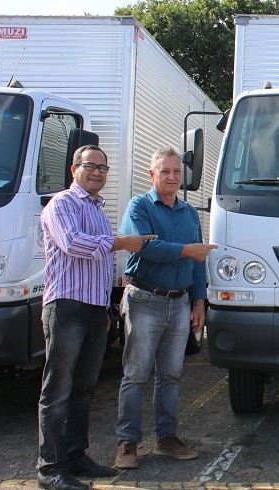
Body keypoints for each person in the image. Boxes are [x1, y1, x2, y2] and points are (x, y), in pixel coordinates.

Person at [37, 145, 155, 490]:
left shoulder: (98, 209)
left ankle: (75, 456)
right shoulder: (61, 204)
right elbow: (73, 244)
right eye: (90, 166)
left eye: (103, 168)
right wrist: (120, 242)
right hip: (65, 308)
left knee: (83, 389)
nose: (98, 173)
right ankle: (50, 468)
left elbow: (101, 267)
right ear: (74, 168)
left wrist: (104, 309)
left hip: (91, 310)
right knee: (57, 391)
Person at [114, 147, 217, 469]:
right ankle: (127, 442)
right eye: (164, 172)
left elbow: (199, 262)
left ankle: (166, 438)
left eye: (176, 172)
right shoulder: (139, 206)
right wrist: (188, 250)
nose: (172, 177)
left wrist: (199, 301)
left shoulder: (188, 212)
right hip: (145, 300)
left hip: (180, 301)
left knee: (171, 375)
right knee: (136, 374)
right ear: (152, 175)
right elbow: (145, 246)